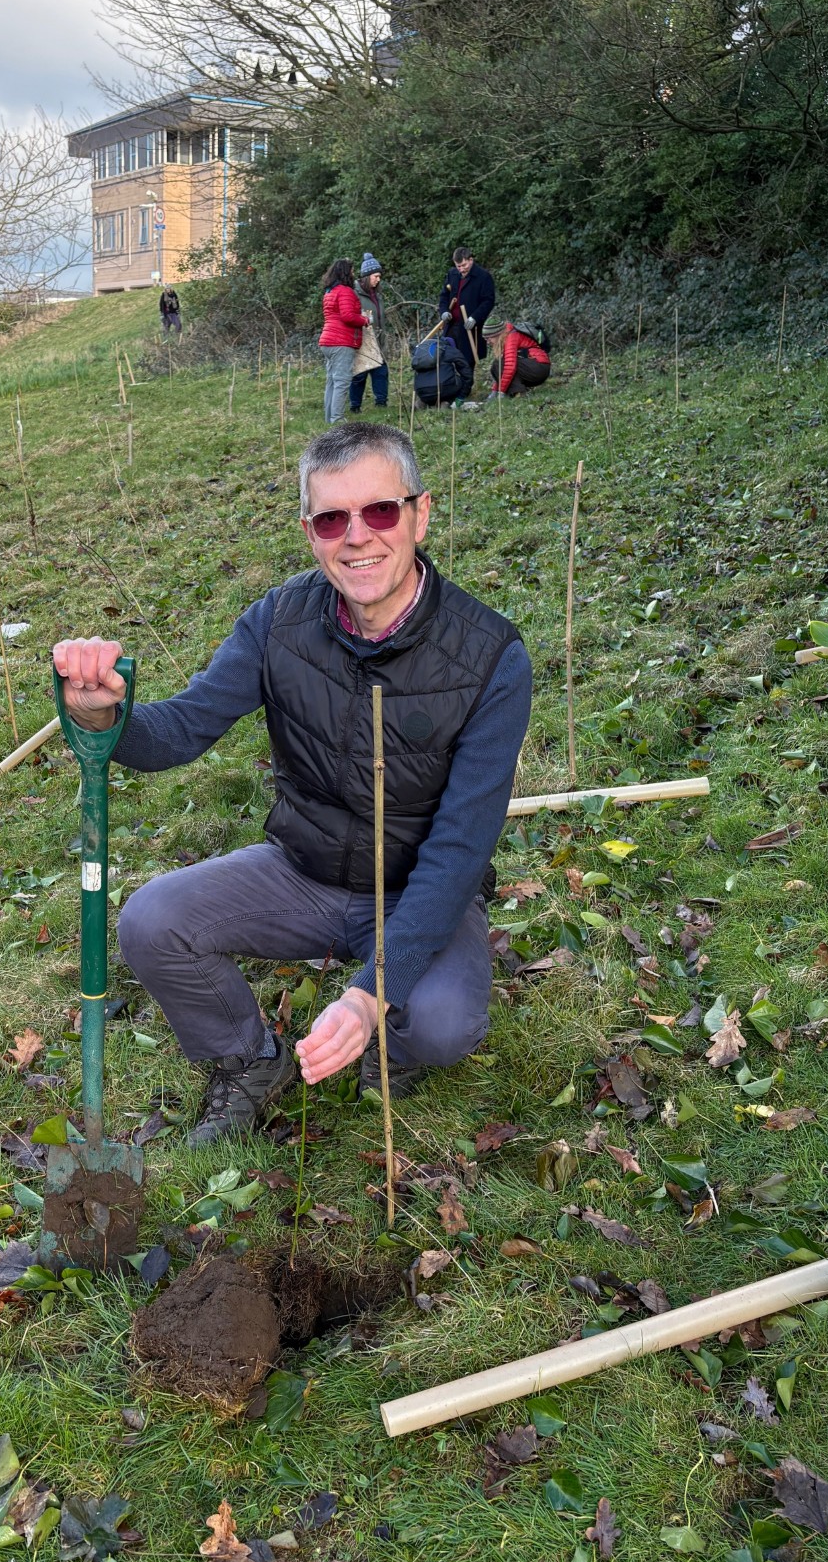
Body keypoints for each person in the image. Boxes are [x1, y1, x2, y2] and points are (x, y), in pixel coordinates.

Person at [51, 420, 532, 1147]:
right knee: (152, 921)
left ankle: (391, 1052)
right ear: (310, 531)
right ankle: (248, 1061)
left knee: (441, 1021)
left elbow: (459, 853)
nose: (358, 537)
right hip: (300, 871)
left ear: (420, 514)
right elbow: (179, 730)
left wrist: (372, 995)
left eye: (380, 511)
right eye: (333, 518)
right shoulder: (280, 621)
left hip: (414, 887)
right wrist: (102, 715)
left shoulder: (492, 657)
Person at [318, 259, 364, 425]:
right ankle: (337, 419)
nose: (353, 274)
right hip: (341, 341)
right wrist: (364, 319)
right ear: (346, 272)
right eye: (351, 271)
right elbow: (348, 316)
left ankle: (329, 418)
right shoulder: (345, 291)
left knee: (331, 380)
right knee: (342, 381)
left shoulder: (329, 292)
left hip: (327, 341)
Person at [437, 247, 496, 375]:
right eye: (458, 266)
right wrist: (444, 312)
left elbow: (488, 301)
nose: (461, 269)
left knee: (467, 360)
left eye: (464, 265)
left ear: (471, 260)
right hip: (451, 325)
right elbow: (444, 296)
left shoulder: (483, 277)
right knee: (447, 356)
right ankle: (450, 387)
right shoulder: (452, 274)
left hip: (470, 327)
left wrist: (474, 317)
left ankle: (465, 391)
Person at [349, 254, 389, 413]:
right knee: (359, 375)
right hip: (362, 341)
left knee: (381, 372)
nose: (378, 279)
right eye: (376, 276)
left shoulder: (378, 295)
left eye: (379, 276)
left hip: (378, 341)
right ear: (366, 276)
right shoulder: (354, 294)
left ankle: (381, 404)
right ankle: (355, 406)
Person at [490, 319, 552, 397]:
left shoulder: (511, 337)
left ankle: (518, 393)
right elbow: (499, 371)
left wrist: (501, 392)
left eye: (489, 338)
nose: (488, 342)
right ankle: (516, 393)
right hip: (539, 367)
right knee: (496, 365)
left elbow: (509, 366)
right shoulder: (506, 336)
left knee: (499, 364)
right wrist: (495, 391)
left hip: (538, 367)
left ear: (496, 334)